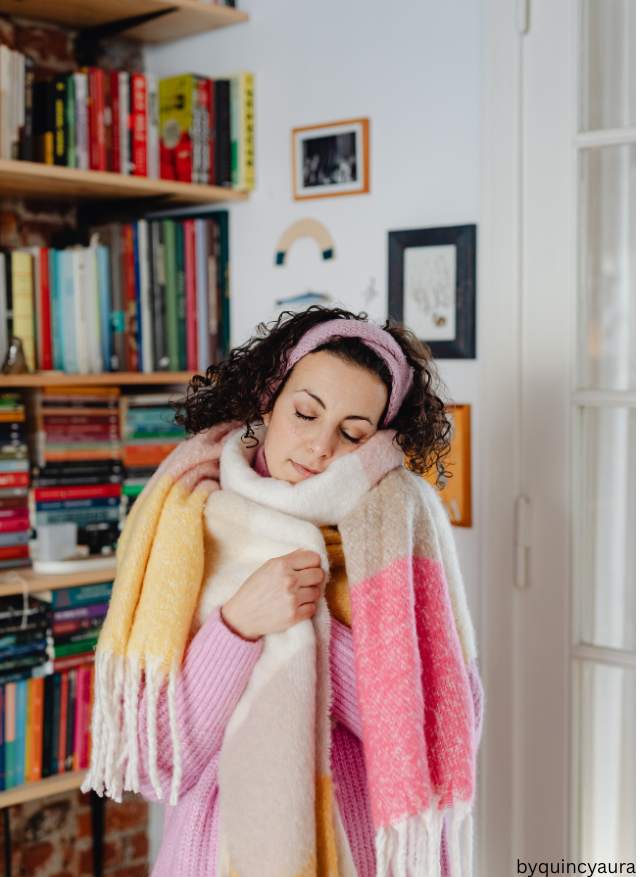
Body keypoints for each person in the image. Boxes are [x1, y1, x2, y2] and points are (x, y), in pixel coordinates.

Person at [128, 305, 484, 876]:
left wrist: (311, 621)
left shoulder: (400, 528)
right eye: (306, 413)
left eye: (351, 433)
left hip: (359, 855)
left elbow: (445, 734)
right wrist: (239, 625)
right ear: (269, 398)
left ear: (379, 440)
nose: (320, 448)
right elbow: (161, 762)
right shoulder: (186, 521)